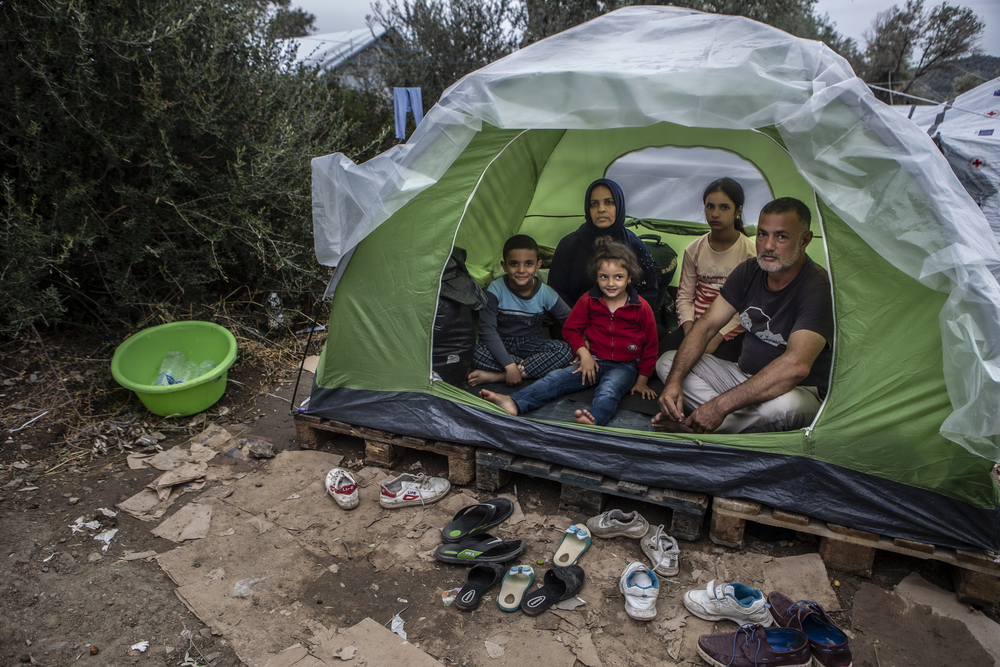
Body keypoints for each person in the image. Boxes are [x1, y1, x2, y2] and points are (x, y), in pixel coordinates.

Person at [651, 197, 833, 434]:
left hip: (796, 390)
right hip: (741, 376)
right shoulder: (749, 271)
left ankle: (693, 426)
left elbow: (795, 367)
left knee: (785, 407)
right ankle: (723, 422)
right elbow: (706, 325)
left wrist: (720, 406)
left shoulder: (817, 288)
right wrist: (674, 381)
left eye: (781, 236)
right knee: (668, 363)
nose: (768, 246)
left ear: (805, 240)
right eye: (761, 234)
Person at [480, 239, 658, 426]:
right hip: (593, 360)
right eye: (604, 276)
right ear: (596, 276)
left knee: (609, 389)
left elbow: (652, 346)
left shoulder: (641, 307)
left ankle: (594, 418)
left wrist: (642, 380)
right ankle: (514, 401)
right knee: (556, 379)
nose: (610, 283)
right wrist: (583, 352)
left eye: (618, 277)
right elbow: (571, 328)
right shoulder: (589, 300)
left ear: (630, 277)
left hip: (624, 366)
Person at [665, 177, 757, 357]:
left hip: (728, 330)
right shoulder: (694, 249)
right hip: (696, 325)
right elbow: (684, 297)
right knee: (658, 358)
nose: (715, 214)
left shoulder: (750, 253)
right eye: (710, 206)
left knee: (709, 364)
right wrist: (691, 333)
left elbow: (750, 306)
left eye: (724, 207)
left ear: (738, 211)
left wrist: (717, 338)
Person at [468, 234, 573, 386]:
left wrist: (584, 347)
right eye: (514, 264)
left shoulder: (545, 292)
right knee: (473, 351)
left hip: (531, 343)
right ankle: (527, 368)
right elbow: (487, 331)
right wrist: (508, 363)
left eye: (528, 264)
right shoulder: (494, 289)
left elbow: (571, 322)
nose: (521, 270)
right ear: (504, 266)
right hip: (501, 341)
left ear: (538, 265)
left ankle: (497, 376)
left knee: (564, 351)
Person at [547, 178, 659, 309]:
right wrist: (580, 321)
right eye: (594, 204)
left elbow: (648, 292)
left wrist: (624, 320)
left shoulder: (634, 245)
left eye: (609, 202)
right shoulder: (569, 245)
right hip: (577, 321)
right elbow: (556, 294)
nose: (601, 209)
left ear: (619, 205)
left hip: (625, 322)